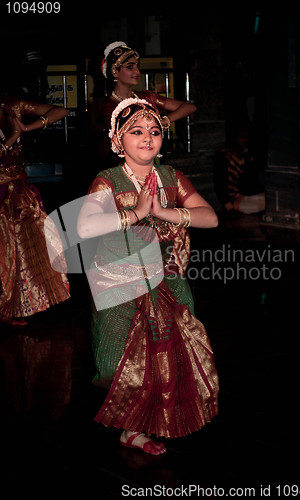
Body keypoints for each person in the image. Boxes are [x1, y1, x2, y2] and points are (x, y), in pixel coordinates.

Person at [77, 98, 219, 455]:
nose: (147, 138)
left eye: (154, 131)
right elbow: (85, 224)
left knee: (167, 354)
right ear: (117, 141)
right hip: (118, 282)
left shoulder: (170, 177)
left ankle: (137, 429)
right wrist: (136, 212)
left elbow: (210, 217)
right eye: (136, 131)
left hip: (166, 279)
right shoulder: (107, 180)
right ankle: (129, 422)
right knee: (116, 361)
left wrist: (166, 212)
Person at [0, 95, 70, 327]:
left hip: (19, 192)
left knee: (24, 249)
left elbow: (61, 111)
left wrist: (28, 126)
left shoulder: (11, 107)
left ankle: (13, 306)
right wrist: (12, 138)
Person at [99, 41, 197, 165]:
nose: (137, 72)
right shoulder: (109, 107)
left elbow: (189, 107)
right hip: (125, 168)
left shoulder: (146, 97)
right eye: (130, 67)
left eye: (137, 66)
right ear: (114, 71)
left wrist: (165, 120)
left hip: (150, 164)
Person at [213, 121, 265, 215]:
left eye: (247, 137)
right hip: (233, 201)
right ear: (234, 138)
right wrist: (228, 206)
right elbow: (220, 184)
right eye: (242, 137)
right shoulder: (224, 157)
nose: (245, 140)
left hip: (244, 197)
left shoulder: (246, 158)